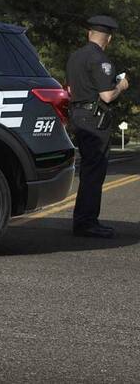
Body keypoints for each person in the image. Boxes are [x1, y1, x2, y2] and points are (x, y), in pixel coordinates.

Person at [65, 15, 128, 239]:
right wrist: (120, 85)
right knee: (94, 171)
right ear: (108, 38)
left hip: (78, 115)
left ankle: (83, 220)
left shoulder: (75, 57)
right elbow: (107, 96)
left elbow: (71, 89)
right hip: (94, 119)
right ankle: (86, 223)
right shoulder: (101, 60)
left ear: (88, 33)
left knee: (88, 170)